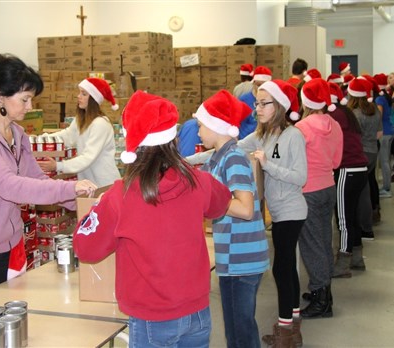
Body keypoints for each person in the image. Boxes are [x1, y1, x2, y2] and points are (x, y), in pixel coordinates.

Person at [73, 90, 232, 347]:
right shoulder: (198, 181)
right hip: (197, 311)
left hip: (151, 318)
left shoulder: (119, 196)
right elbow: (221, 204)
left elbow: (85, 248)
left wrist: (94, 211)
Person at [0, 54, 97, 299]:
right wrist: (69, 189)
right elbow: (9, 186)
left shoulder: (16, 134)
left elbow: (36, 179)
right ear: (1, 96)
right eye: (25, 99)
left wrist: (82, 202)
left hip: (4, 245)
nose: (30, 107)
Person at [194, 90, 270, 348]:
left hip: (243, 258)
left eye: (201, 125)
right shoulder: (217, 158)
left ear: (216, 126)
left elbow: (246, 208)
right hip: (231, 257)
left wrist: (214, 202)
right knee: (235, 331)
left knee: (241, 333)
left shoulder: (233, 158)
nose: (198, 132)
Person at [236, 80, 307, 347]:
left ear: (279, 106)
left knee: (281, 268)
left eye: (264, 103)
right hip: (277, 212)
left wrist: (268, 164)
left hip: (292, 210)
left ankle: (286, 332)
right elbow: (231, 147)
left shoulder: (293, 135)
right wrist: (189, 161)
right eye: (257, 103)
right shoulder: (261, 136)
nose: (258, 108)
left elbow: (300, 177)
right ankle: (293, 325)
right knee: (287, 267)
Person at [295, 78, 343, 319]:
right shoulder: (335, 124)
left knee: (311, 245)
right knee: (324, 240)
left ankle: (321, 299)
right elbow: (336, 162)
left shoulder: (301, 128)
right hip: (328, 187)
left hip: (308, 191)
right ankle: (323, 290)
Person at [37, 77, 121, 187]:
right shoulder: (81, 119)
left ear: (93, 99)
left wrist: (58, 166)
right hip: (90, 183)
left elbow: (88, 157)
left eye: (84, 94)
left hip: (105, 184)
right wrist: (40, 139)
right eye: (79, 92)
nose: (78, 96)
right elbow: (67, 136)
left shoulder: (101, 124)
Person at [329, 79, 369, 279]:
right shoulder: (346, 112)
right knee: (352, 216)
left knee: (343, 220)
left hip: (347, 170)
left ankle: (343, 263)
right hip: (359, 169)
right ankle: (357, 257)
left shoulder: (333, 115)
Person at [344, 78, 382, 240]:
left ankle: (362, 228)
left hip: (359, 155)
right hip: (373, 151)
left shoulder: (354, 114)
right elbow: (379, 133)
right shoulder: (374, 110)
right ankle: (367, 227)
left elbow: (352, 138)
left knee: (359, 194)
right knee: (365, 189)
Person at [374, 73, 394, 198]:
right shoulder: (386, 96)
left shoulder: (379, 99)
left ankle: (387, 188)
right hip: (390, 129)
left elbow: (379, 116)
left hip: (384, 132)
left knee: (384, 161)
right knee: (386, 160)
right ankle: (387, 187)